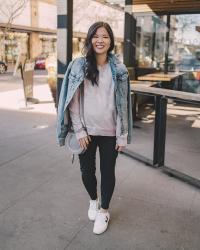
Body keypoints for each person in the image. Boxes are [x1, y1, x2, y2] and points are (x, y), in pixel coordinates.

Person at [57, 21, 132, 235]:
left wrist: (122, 135)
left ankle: (104, 211)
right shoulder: (80, 65)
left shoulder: (119, 69)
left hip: (110, 133)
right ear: (90, 39)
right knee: (86, 172)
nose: (100, 40)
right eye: (96, 36)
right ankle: (93, 200)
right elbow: (72, 102)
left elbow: (123, 106)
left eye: (105, 36)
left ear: (111, 41)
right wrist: (79, 130)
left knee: (108, 172)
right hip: (86, 133)